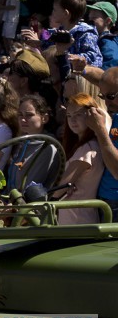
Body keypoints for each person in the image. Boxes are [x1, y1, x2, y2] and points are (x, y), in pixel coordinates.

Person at [54, 93, 106, 224]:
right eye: (69, 116)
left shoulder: (87, 148)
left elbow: (58, 189)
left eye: (78, 114)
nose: (72, 120)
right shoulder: (86, 146)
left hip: (78, 221)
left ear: (91, 115)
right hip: (75, 218)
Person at [6, 94, 62, 194]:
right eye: (20, 115)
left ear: (44, 118)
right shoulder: (23, 142)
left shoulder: (48, 147)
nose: (23, 119)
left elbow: (33, 185)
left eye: (29, 115)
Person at [86, 67, 118, 220]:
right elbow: (103, 79)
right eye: (102, 96)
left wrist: (100, 130)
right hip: (106, 198)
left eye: (110, 96)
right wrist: (82, 70)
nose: (106, 102)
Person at [87, 1, 118, 70]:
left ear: (107, 21)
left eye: (93, 19)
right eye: (89, 19)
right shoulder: (92, 37)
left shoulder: (107, 41)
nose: (89, 22)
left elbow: (111, 66)